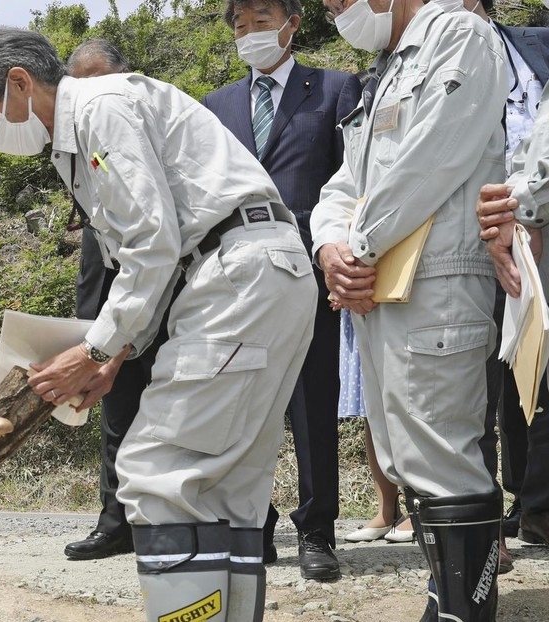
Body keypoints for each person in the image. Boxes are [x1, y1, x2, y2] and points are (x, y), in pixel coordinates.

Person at [0, 26, 317, 622]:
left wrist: (92, 350)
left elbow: (150, 244)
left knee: (153, 473)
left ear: (18, 82)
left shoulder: (100, 108)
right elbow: (151, 256)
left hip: (234, 275)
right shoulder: (81, 133)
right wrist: (116, 355)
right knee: (228, 493)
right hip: (255, 273)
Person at [311, 0, 508, 619]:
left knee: (441, 446)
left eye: (341, 0)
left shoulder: (459, 34)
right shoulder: (385, 69)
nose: (334, 9)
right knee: (405, 454)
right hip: (380, 283)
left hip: (437, 277)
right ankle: (443, 599)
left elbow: (433, 157)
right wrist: (329, 247)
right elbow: (344, 183)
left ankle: (466, 610)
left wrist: (358, 247)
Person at [201, 0, 362, 580]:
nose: (249, 33)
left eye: (261, 21)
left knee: (312, 401)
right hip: (237, 277)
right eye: (240, 26)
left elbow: (353, 181)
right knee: (242, 405)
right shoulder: (214, 106)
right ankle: (253, 525)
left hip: (311, 270)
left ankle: (317, 530)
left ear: (292, 23)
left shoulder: (337, 89)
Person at [62, 39, 142, 562]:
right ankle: (114, 524)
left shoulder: (136, 124)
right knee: (115, 412)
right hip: (106, 288)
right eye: (82, 84)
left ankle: (177, 524)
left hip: (162, 283)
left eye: (102, 80)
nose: (93, 94)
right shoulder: (73, 142)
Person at [475, 0, 549, 560]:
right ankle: (491, 510)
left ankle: (536, 504)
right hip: (476, 236)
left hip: (532, 228)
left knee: (540, 365)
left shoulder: (536, 43)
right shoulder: (410, 65)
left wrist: (528, 214)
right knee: (490, 378)